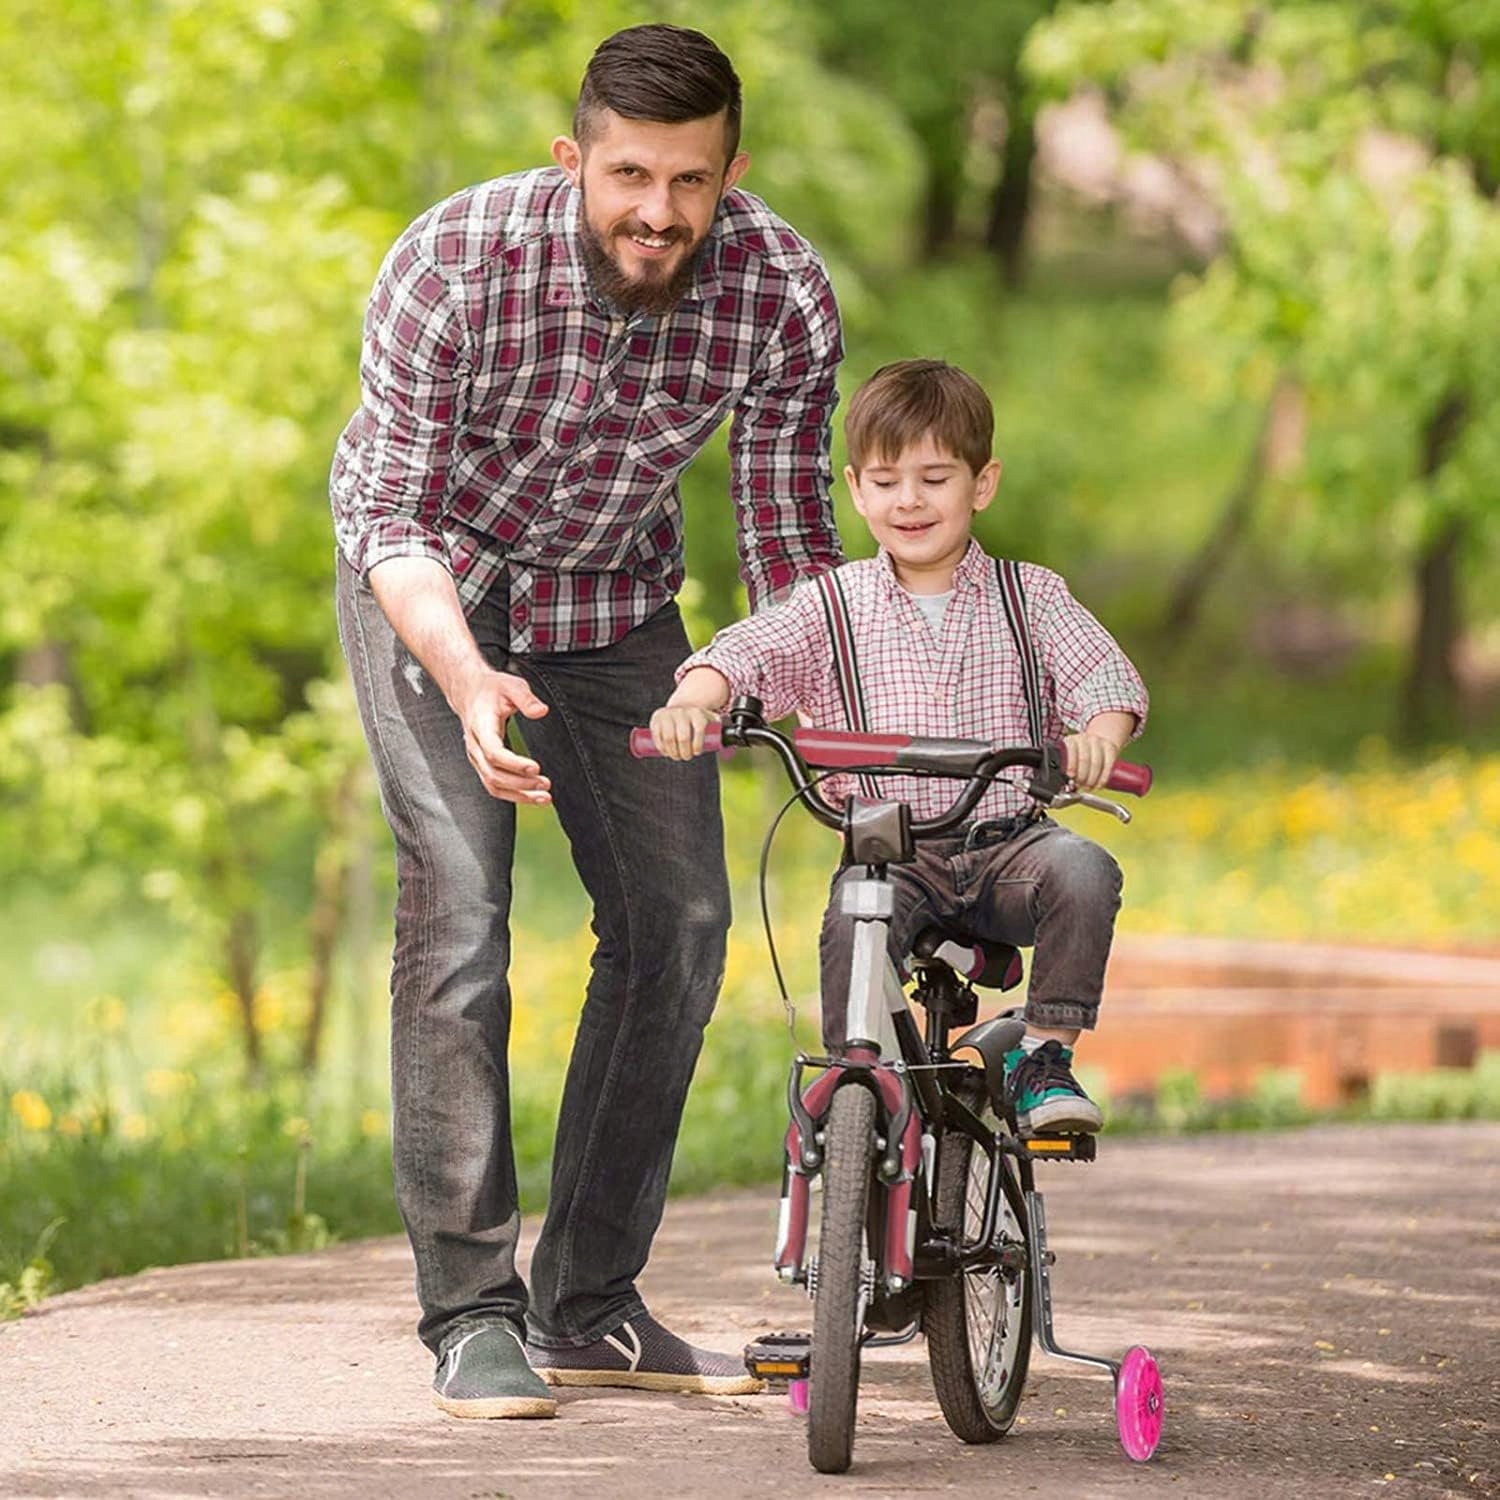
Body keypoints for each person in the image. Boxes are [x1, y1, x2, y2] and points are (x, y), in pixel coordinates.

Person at [330, 24, 844, 1419]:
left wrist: (798, 695)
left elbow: (786, 537)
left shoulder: (782, 290)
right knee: (461, 924)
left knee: (678, 925)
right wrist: (462, 671)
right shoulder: (454, 261)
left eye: (689, 181)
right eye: (628, 174)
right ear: (575, 158)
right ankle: (471, 1312)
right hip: (436, 592)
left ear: (731, 173)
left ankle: (590, 1304)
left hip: (619, 607)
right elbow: (388, 516)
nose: (657, 212)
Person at [651, 359, 1148, 1135]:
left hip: (1009, 848)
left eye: (935, 478)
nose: (909, 500)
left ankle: (1043, 1057)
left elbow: (1105, 679)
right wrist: (695, 700)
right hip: (893, 855)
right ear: (856, 489)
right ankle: (862, 1084)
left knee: (1084, 869)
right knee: (855, 911)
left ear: (981, 485)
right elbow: (752, 650)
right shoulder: (832, 605)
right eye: (886, 481)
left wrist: (1096, 739)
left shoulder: (1032, 596)